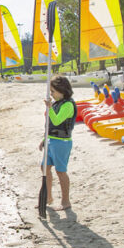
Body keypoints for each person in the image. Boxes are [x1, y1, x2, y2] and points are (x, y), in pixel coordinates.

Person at [38, 75, 76, 211]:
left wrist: (49, 108)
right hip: (51, 140)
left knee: (60, 171)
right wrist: (44, 139)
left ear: (62, 90)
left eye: (53, 92)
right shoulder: (55, 104)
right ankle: (48, 197)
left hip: (62, 143)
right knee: (44, 168)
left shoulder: (68, 105)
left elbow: (58, 120)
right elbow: (49, 124)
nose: (51, 95)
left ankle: (66, 201)